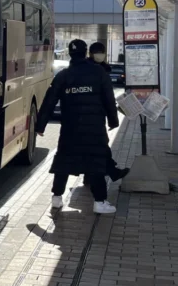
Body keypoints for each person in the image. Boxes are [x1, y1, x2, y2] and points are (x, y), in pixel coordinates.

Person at [38, 39, 120, 215]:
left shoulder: (63, 75)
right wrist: (113, 121)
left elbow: (49, 101)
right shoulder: (99, 73)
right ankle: (99, 202)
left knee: (64, 162)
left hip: (70, 128)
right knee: (96, 163)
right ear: (86, 53)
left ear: (70, 54)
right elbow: (109, 100)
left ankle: (56, 198)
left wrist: (40, 125)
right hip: (94, 128)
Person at [89, 41, 129, 182]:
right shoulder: (88, 69)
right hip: (92, 115)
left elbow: (108, 98)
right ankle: (112, 172)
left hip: (97, 115)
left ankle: (97, 175)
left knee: (97, 146)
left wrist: (112, 119)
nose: (100, 55)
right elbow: (108, 98)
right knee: (100, 146)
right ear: (90, 53)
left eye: (102, 52)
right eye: (97, 52)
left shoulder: (105, 69)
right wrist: (113, 120)